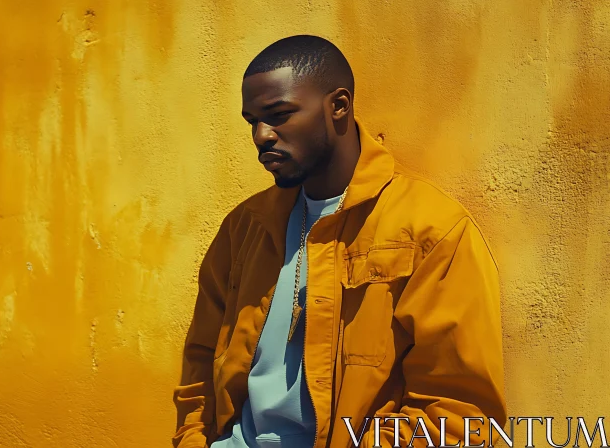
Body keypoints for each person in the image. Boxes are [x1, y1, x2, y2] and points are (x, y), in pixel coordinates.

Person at [172, 35, 507, 448]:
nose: (261, 136)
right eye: (252, 121)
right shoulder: (245, 228)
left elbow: (459, 415)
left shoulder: (431, 231)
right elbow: (201, 366)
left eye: (278, 115)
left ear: (339, 106)